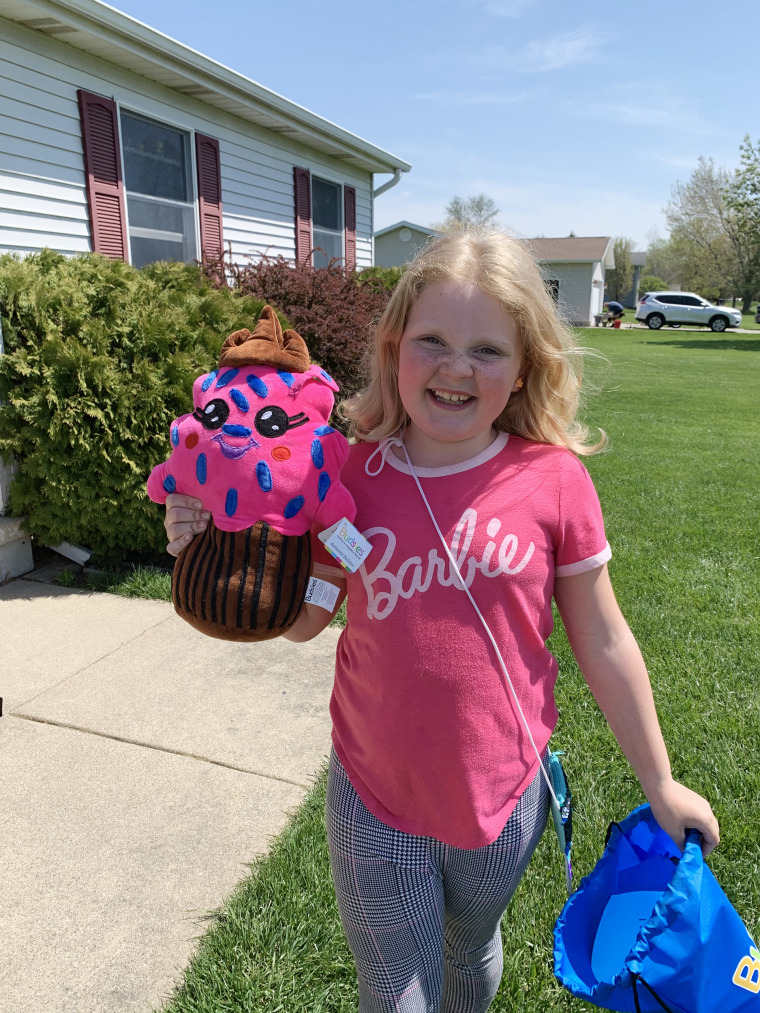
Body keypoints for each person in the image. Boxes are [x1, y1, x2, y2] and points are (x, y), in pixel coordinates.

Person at [163, 230, 719, 1013]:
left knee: (472, 953)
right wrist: (211, 543)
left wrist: (660, 781)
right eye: (433, 341)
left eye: (486, 349)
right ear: (394, 347)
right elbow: (304, 620)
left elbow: (602, 637)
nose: (457, 367)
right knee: (397, 993)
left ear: (524, 364)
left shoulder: (553, 481)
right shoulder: (348, 470)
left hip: (502, 796)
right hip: (374, 786)